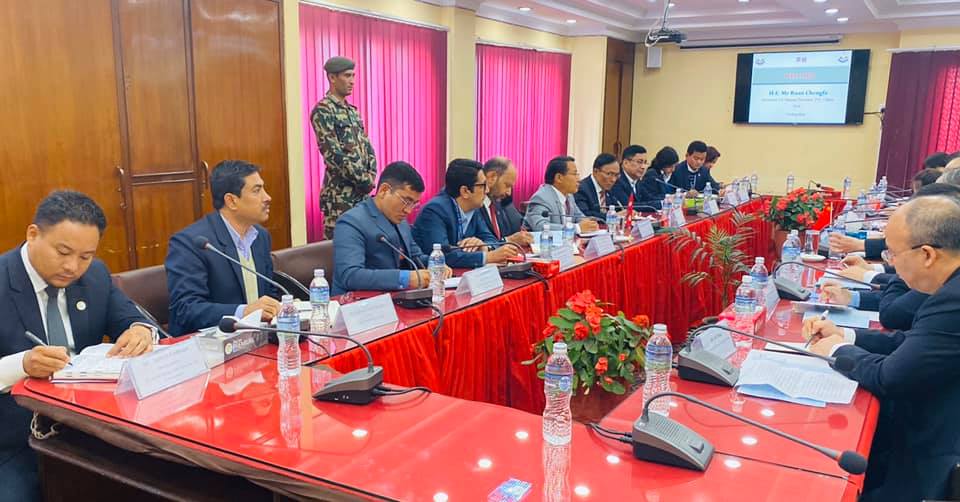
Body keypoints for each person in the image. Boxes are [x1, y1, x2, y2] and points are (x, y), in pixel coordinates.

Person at [0, 191, 156, 501]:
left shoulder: (95, 275)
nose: (72, 267)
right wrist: (22, 365)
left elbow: (133, 319)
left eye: (85, 256)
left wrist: (140, 330)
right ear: (33, 234)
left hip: (92, 428)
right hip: (15, 439)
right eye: (63, 252)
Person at [804, 195, 960, 501]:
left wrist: (836, 351)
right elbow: (916, 343)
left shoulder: (953, 299)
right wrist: (847, 336)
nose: (890, 262)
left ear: (927, 255)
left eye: (893, 253)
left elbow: (890, 377)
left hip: (937, 454)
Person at [166, 160, 279, 336]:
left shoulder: (260, 236)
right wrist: (242, 312)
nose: (267, 197)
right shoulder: (191, 243)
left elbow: (269, 291)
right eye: (257, 191)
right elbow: (186, 309)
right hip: (210, 343)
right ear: (231, 201)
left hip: (256, 338)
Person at [332, 162, 452, 296]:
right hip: (358, 303)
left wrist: (435, 265)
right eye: (406, 201)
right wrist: (405, 279)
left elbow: (415, 256)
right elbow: (350, 275)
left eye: (414, 204)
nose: (408, 210)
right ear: (384, 190)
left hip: (395, 297)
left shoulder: (400, 220)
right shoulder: (351, 222)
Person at [310, 56, 377, 239]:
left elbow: (367, 147)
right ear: (332, 77)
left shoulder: (352, 111)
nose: (352, 81)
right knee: (340, 246)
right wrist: (363, 180)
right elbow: (333, 155)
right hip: (340, 197)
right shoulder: (323, 110)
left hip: (361, 195)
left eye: (353, 76)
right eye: (347, 76)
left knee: (363, 243)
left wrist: (371, 175)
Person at [412, 159, 519, 268]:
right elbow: (442, 255)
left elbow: (491, 239)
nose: (487, 190)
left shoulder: (473, 208)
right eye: (483, 185)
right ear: (465, 191)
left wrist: (483, 245)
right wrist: (487, 257)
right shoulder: (434, 211)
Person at [522, 156, 600, 233]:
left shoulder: (569, 196)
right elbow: (540, 226)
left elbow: (579, 217)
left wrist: (589, 224)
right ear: (559, 178)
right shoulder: (541, 198)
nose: (579, 179)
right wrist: (576, 228)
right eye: (574, 174)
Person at [477, 157, 533, 246]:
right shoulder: (474, 205)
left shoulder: (498, 205)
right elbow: (479, 244)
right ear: (491, 177)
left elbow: (506, 235)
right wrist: (508, 240)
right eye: (507, 185)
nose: (509, 193)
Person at [575, 153, 620, 219]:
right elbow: (585, 214)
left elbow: (617, 209)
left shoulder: (610, 189)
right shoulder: (581, 188)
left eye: (616, 175)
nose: (613, 179)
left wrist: (625, 213)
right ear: (595, 171)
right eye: (609, 174)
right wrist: (612, 216)